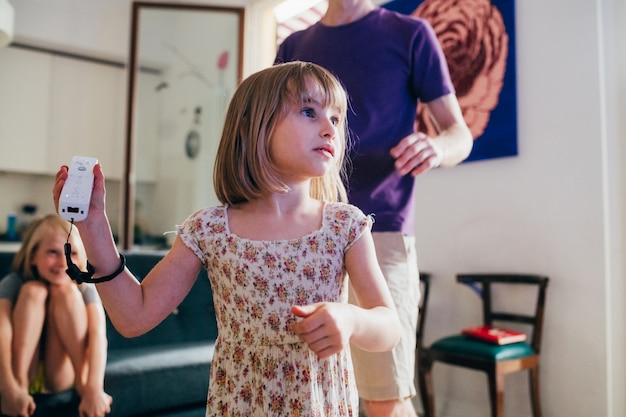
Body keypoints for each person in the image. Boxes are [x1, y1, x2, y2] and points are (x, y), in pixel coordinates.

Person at [52, 61, 402, 417]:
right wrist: (94, 227)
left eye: (336, 118)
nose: (329, 127)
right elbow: (133, 317)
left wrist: (350, 319)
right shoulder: (210, 230)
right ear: (254, 127)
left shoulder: (345, 225)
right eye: (309, 111)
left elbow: (389, 327)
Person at [275, 1, 473, 416]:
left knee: (385, 396)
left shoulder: (410, 34)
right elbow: (269, 135)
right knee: (302, 390)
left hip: (382, 233)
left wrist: (436, 145)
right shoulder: (294, 46)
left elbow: (459, 134)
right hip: (301, 233)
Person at [0, 214, 112, 417]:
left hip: (61, 374)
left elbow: (98, 335)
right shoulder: (13, 282)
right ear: (32, 256)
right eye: (53, 252)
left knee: (66, 291)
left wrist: (94, 388)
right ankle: (20, 384)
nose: (63, 262)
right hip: (23, 371)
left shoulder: (86, 287)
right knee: (33, 290)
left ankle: (82, 383)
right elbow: (2, 330)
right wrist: (8, 388)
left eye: (72, 253)